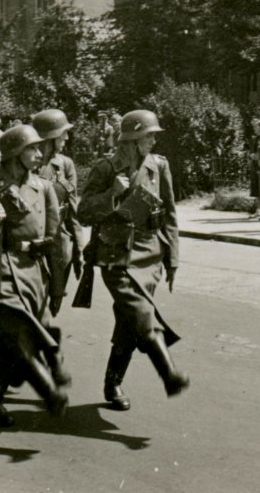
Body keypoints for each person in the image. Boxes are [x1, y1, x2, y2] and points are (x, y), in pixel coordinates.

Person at [78, 109, 188, 412]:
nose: (153, 141)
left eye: (153, 135)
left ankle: (112, 383)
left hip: (150, 255)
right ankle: (169, 372)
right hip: (117, 256)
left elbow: (169, 215)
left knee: (129, 320)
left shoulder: (159, 166)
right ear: (132, 140)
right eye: (148, 136)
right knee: (139, 312)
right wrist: (112, 195)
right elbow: (83, 211)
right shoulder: (106, 168)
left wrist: (172, 260)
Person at [0, 125, 69, 428]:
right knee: (16, 331)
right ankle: (48, 390)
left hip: (34, 273)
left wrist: (57, 286)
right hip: (0, 274)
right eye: (32, 149)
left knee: (9, 342)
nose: (40, 155)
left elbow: (54, 237)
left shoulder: (44, 187)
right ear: (14, 152)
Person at [31, 109, 82, 314]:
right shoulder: (28, 162)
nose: (67, 138)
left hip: (59, 241)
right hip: (34, 236)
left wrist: (79, 246)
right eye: (63, 133)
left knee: (55, 298)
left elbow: (73, 208)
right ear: (50, 136)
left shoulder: (65, 165)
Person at [247, 119, 260, 219]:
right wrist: (251, 156)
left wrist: (259, 156)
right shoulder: (254, 138)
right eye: (253, 127)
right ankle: (259, 210)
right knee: (257, 189)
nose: (254, 129)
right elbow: (251, 151)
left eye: (256, 126)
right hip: (255, 165)